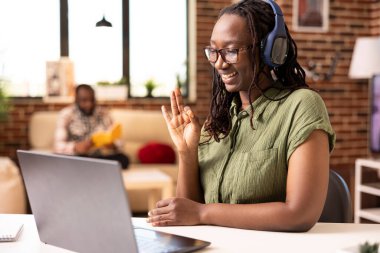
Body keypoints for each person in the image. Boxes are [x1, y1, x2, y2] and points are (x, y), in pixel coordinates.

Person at [147, 0, 335, 232]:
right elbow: (188, 215)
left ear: (270, 50)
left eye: (231, 51)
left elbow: (300, 214)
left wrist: (203, 212)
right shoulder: (218, 121)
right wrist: (187, 153)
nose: (219, 63)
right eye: (213, 51)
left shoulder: (301, 106)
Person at [54, 84, 130, 169]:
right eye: (84, 100)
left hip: (100, 156)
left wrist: (113, 145)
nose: (89, 104)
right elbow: (58, 146)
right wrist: (76, 147)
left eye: (92, 100)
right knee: (60, 160)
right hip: (78, 157)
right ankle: (96, 167)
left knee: (124, 159)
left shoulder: (104, 113)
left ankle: (91, 167)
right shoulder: (66, 115)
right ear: (76, 100)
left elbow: (120, 142)